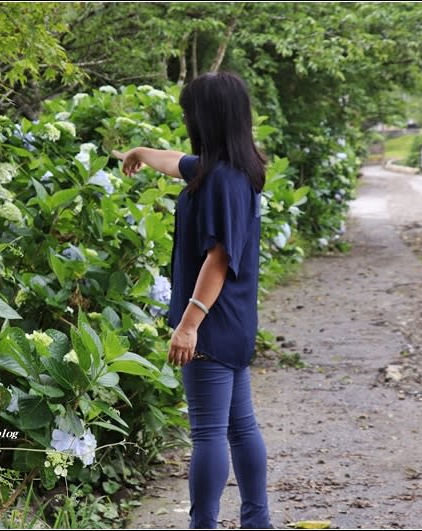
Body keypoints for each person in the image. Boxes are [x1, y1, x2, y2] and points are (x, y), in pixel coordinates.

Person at [112, 71, 272, 529]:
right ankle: (257, 522)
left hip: (211, 322)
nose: (185, 120)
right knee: (241, 428)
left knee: (208, 433)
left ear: (206, 117)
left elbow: (218, 259)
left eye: (188, 112)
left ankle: (204, 525)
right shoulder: (228, 170)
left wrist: (188, 323)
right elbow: (175, 161)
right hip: (235, 320)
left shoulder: (221, 180)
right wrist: (140, 152)